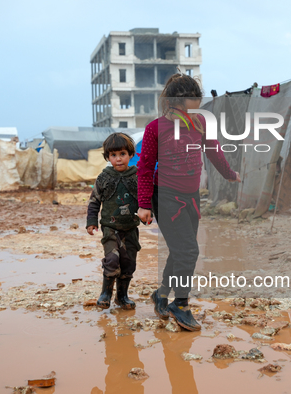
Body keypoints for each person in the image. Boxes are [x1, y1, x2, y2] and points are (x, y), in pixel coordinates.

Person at [137, 73, 241, 331]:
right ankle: (180, 304)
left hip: (190, 197)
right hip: (166, 197)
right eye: (195, 98)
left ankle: (161, 294)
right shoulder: (156, 128)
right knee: (189, 251)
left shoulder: (200, 125)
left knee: (180, 250)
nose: (199, 102)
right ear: (180, 100)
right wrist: (144, 204)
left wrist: (230, 174)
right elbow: (145, 167)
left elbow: (214, 150)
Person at [87, 132, 141, 310]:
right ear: (108, 157)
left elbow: (145, 199)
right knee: (112, 260)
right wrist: (91, 221)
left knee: (128, 263)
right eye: (114, 155)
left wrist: (148, 214)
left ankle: (122, 296)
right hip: (110, 227)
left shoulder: (137, 176)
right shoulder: (104, 177)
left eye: (123, 154)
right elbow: (94, 200)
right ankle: (106, 293)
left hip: (131, 228)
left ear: (131, 154)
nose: (118, 159)